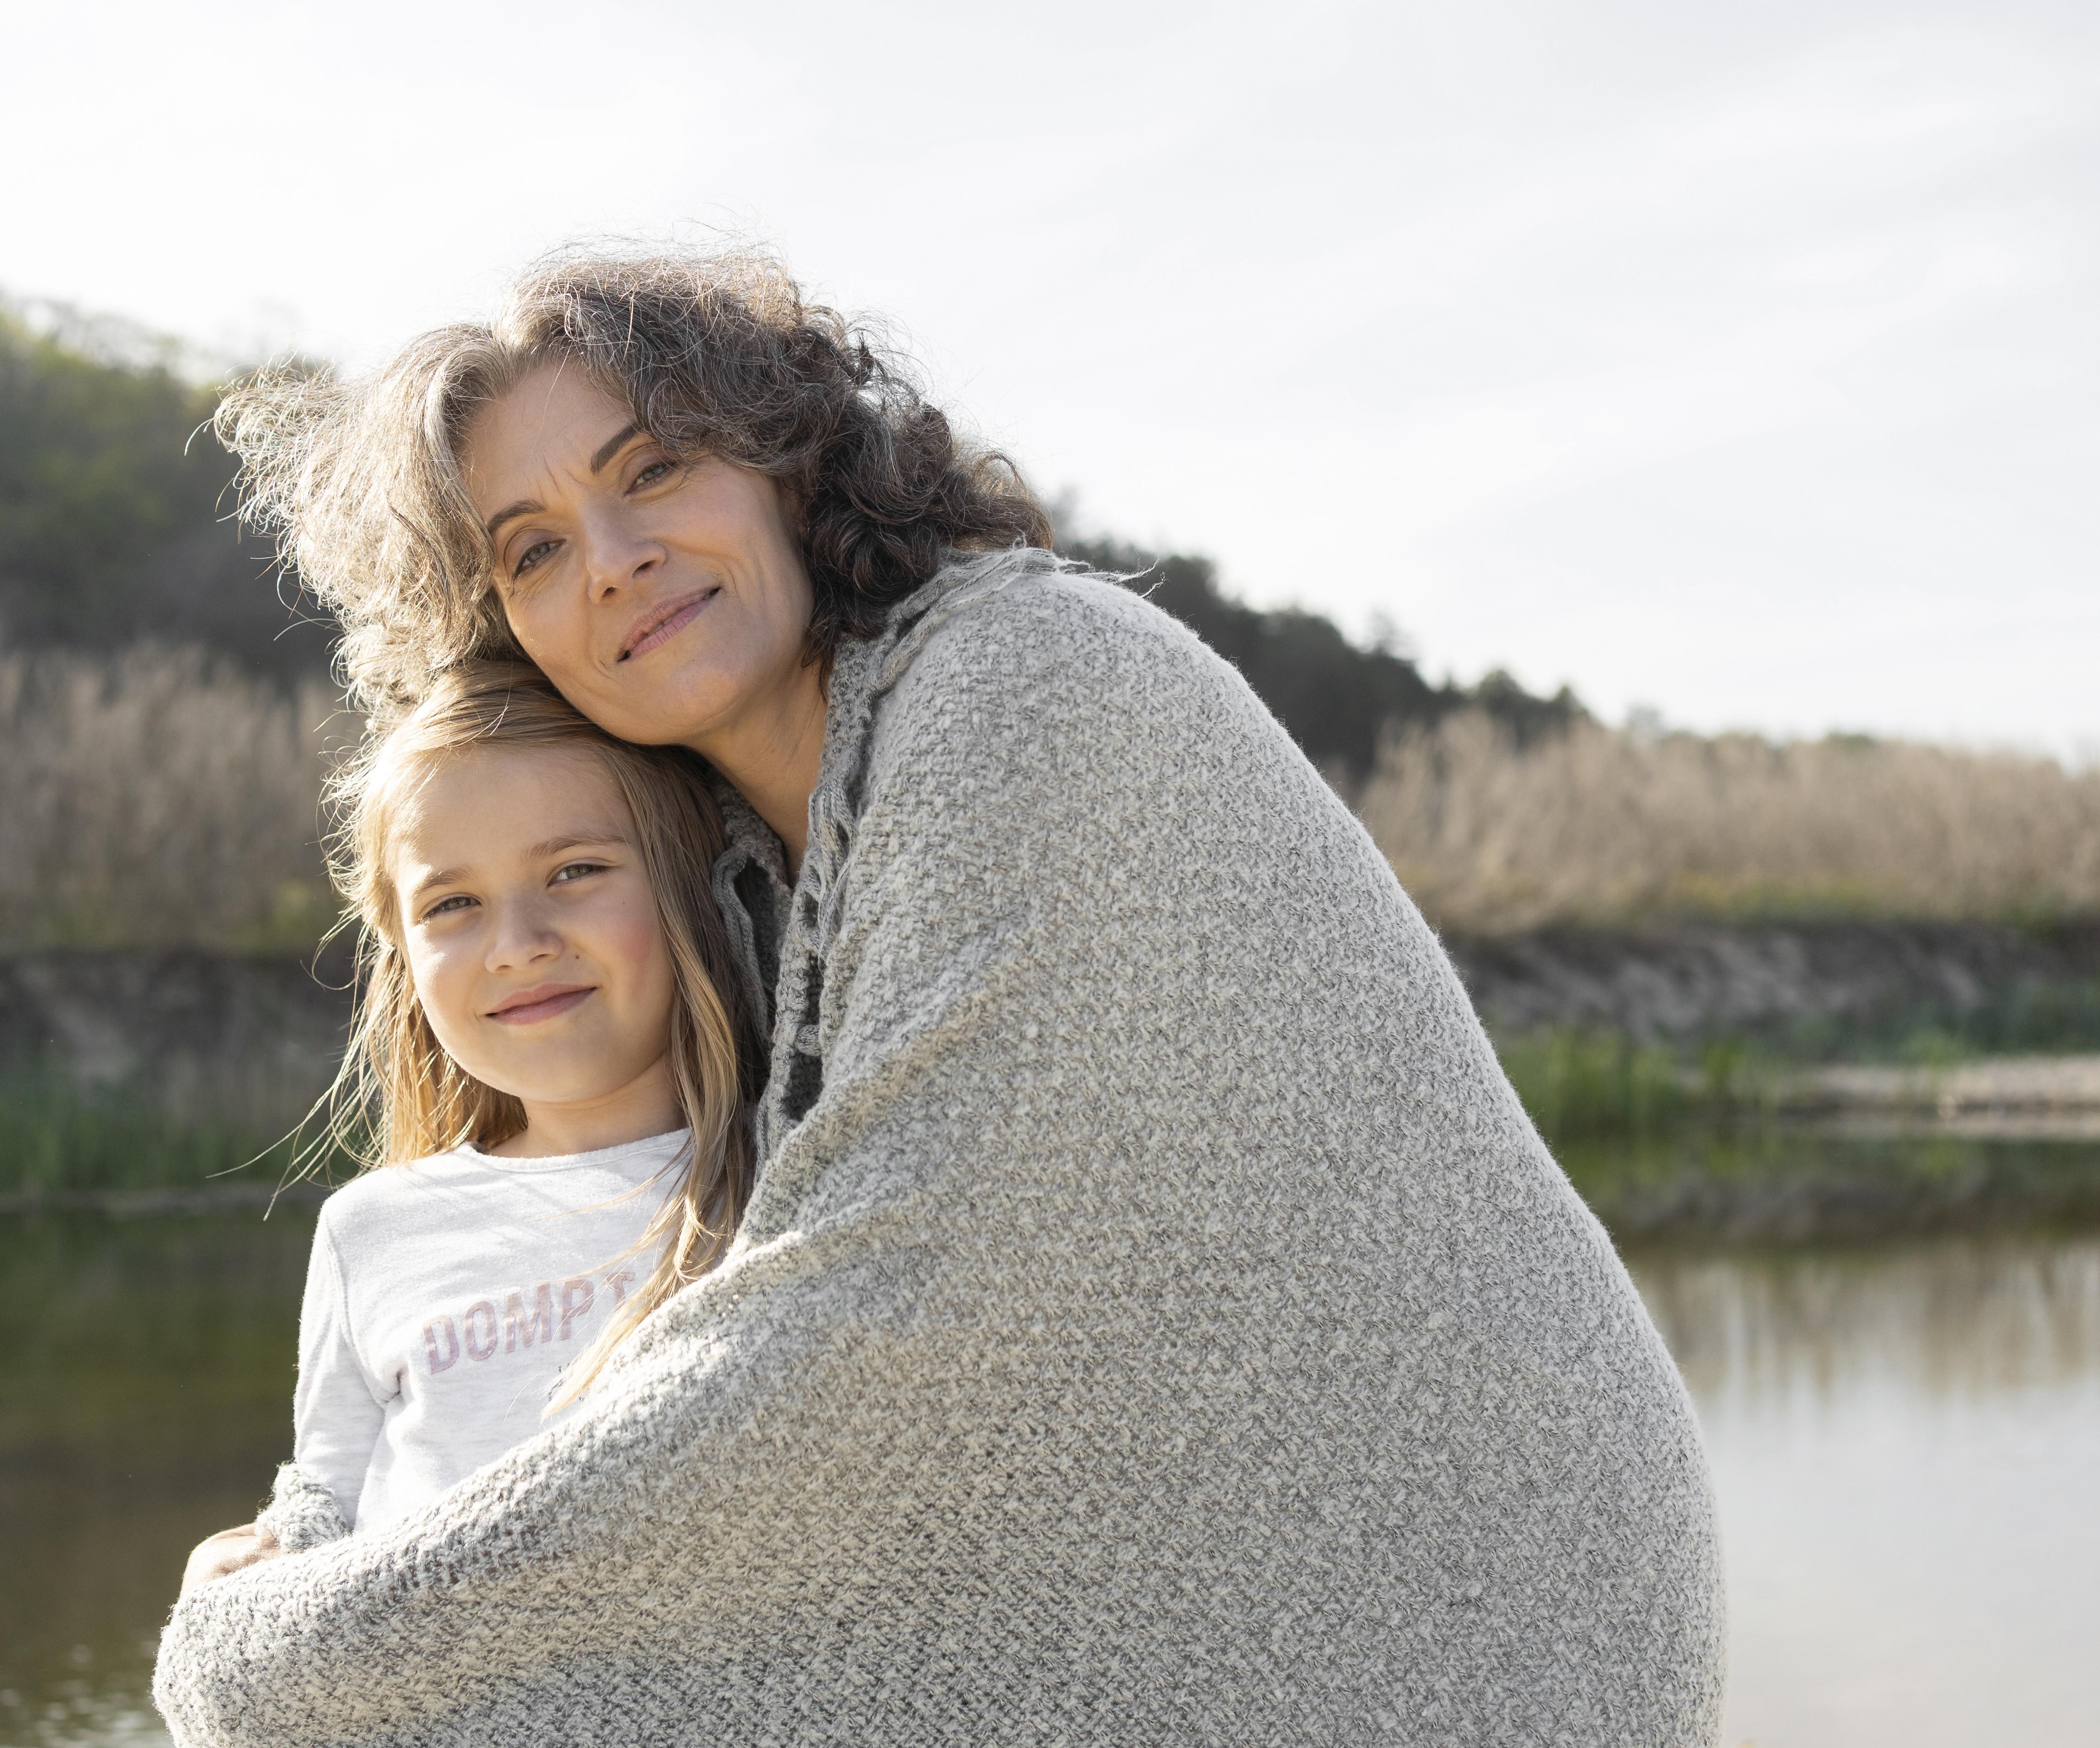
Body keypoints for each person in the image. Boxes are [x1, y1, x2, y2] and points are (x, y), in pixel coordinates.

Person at [158, 249, 1724, 1745]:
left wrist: (294, 1656)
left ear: (785, 460)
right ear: (512, 636)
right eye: (535, 547)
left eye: (650, 472)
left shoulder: (1025, 685)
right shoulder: (750, 881)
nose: (614, 560)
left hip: (1469, 1579)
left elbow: (877, 1337)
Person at [178, 661, 759, 1597]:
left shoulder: (785, 1176)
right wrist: (264, 1551)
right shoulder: (371, 1230)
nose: (518, 942)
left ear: (692, 887)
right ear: (403, 955)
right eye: (453, 904)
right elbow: (324, 1498)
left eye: (575, 872)